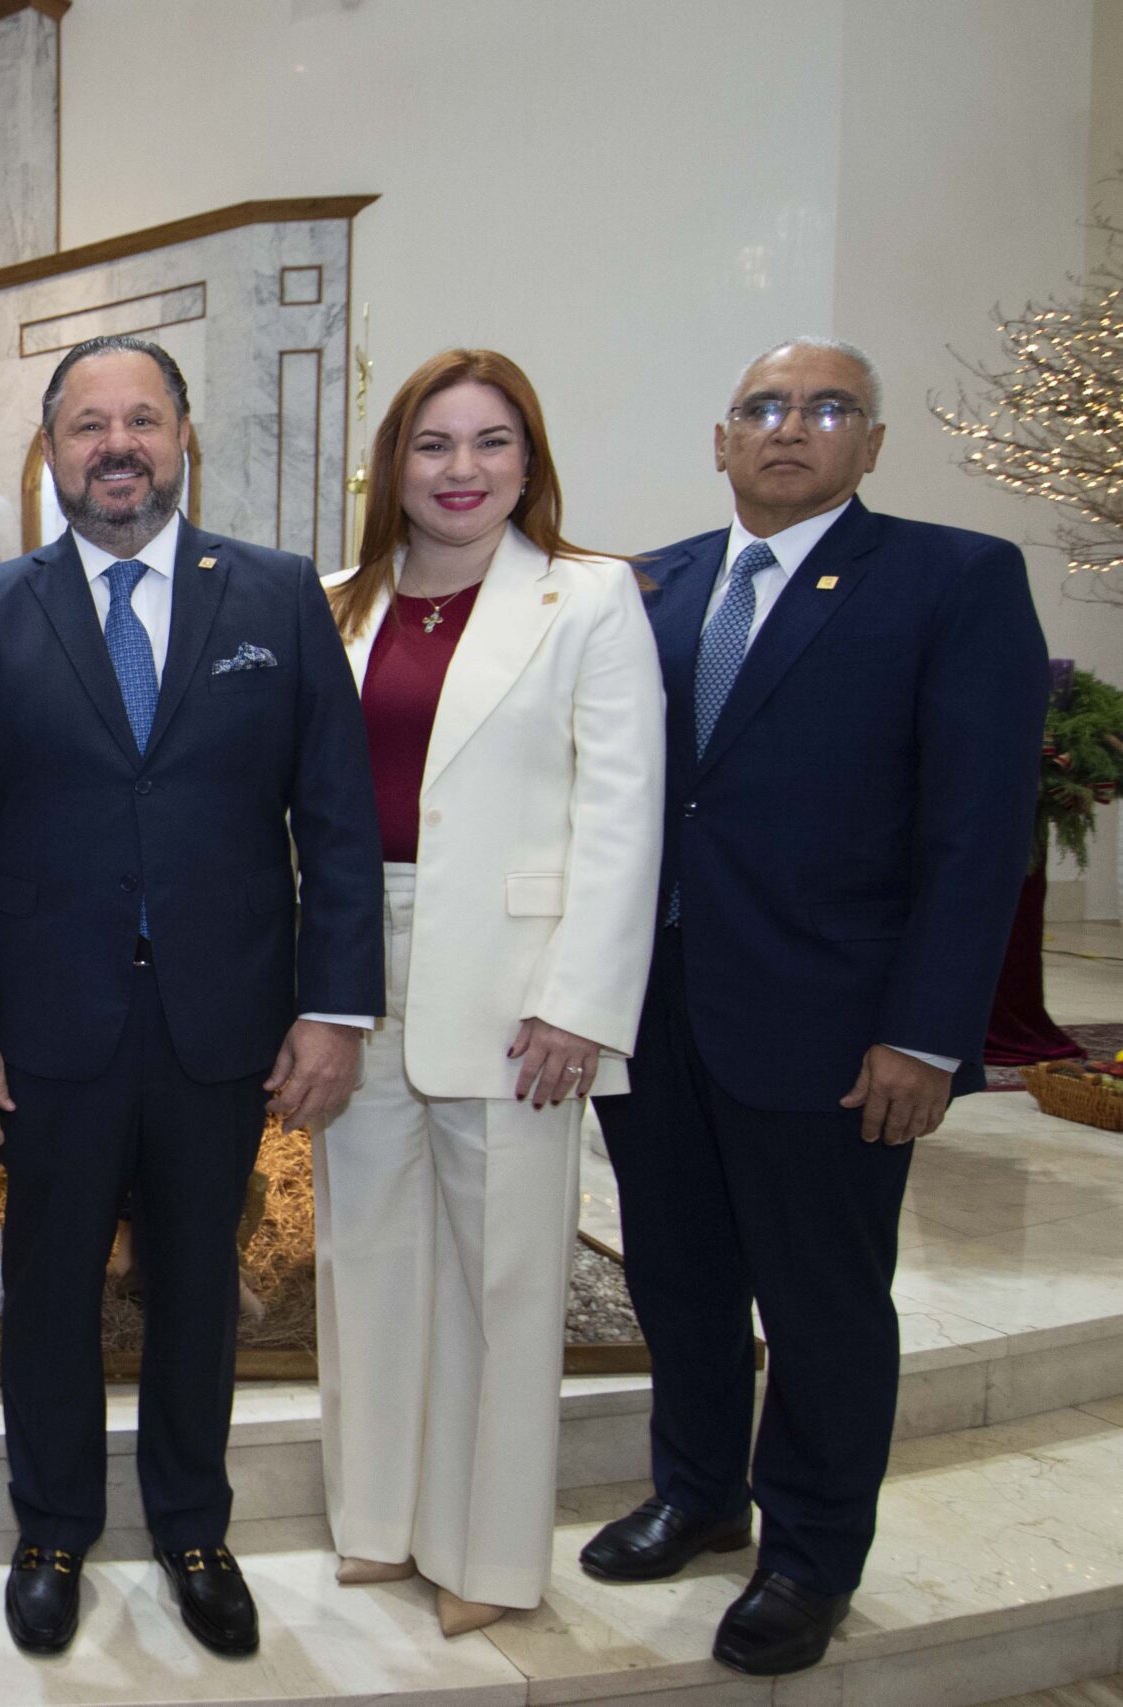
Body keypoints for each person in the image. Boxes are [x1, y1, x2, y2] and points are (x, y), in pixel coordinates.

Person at [0, 334, 385, 1659]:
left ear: (183, 438)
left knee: (197, 1284)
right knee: (49, 1288)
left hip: (220, 1018)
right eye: (87, 425)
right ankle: (52, 1529)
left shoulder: (279, 596)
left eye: (140, 421)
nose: (115, 446)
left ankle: (192, 1526)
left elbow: (336, 818)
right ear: (52, 451)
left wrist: (335, 1005)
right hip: (44, 1026)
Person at [583, 339, 1046, 1676]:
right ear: (721, 440)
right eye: (764, 408)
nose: (792, 427)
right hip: (655, 1010)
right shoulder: (649, 586)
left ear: (872, 445)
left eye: (828, 408)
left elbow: (978, 829)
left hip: (835, 1025)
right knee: (677, 1274)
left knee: (822, 1298)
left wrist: (928, 1031)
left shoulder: (950, 579)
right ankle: (696, 1492)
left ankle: (811, 1553)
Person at [314, 350, 664, 1636]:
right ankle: (379, 1522)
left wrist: (580, 1000)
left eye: (490, 442)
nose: (460, 470)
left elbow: (622, 813)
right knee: (366, 1255)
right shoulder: (334, 604)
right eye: (433, 444)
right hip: (356, 965)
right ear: (391, 467)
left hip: (519, 989)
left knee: (504, 1278)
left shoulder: (589, 597)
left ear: (529, 462)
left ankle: (489, 1556)